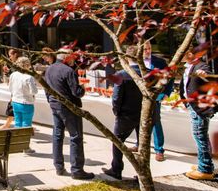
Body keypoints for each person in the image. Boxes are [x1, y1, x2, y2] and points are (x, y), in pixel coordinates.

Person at [44, 49, 95, 180]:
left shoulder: (50, 69)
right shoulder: (68, 71)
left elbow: (47, 89)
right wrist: (82, 88)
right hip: (69, 107)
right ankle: (77, 169)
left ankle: (59, 166)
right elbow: (76, 92)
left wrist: (50, 101)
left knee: (57, 135)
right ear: (67, 58)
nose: (74, 59)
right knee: (76, 137)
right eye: (72, 57)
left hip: (55, 105)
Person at [102, 45, 142, 180]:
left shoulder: (122, 75)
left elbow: (116, 97)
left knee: (117, 141)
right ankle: (142, 173)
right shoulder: (148, 73)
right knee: (143, 144)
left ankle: (116, 169)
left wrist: (116, 111)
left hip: (126, 114)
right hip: (144, 114)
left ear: (126, 57)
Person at [180, 49, 215, 180]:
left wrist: (204, 75)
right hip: (193, 106)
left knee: (200, 136)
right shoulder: (189, 67)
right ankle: (205, 164)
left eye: (182, 53)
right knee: (201, 136)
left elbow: (209, 77)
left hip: (199, 109)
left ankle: (205, 169)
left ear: (189, 54)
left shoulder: (201, 66)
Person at [143, 41, 173, 162]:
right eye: (145, 49)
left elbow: (169, 78)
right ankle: (139, 143)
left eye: (149, 48)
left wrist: (166, 93)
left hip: (155, 96)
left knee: (156, 122)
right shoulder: (134, 61)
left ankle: (159, 150)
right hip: (141, 96)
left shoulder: (160, 62)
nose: (147, 51)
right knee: (140, 121)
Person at [9, 56, 38, 129]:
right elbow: (34, 91)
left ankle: (17, 139)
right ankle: (24, 139)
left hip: (15, 101)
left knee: (17, 122)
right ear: (27, 65)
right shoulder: (29, 77)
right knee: (26, 124)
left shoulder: (13, 74)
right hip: (26, 102)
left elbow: (10, 88)